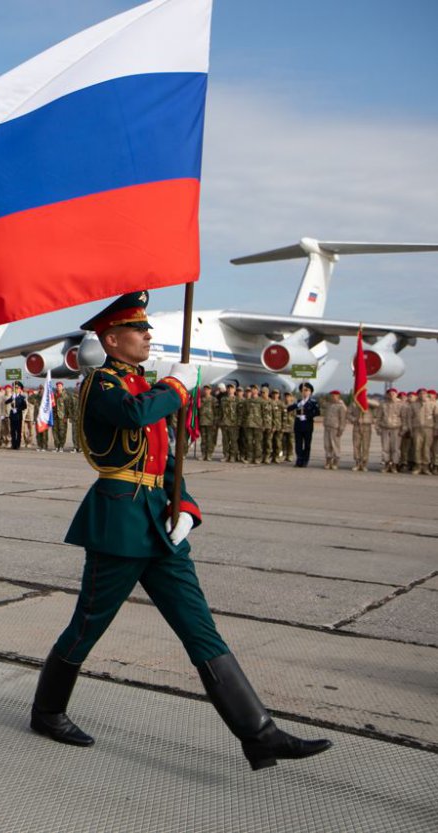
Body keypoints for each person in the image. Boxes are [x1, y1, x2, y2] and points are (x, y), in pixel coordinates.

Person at [30, 291, 329, 771]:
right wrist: (176, 385)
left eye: (148, 328)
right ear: (111, 338)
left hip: (158, 519)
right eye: (139, 329)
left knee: (198, 626)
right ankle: (47, 711)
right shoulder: (101, 386)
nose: (149, 335)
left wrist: (185, 505)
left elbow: (167, 459)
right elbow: (134, 416)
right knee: (88, 625)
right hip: (120, 520)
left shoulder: (142, 386)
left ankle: (259, 733)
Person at [286, 383, 320, 467]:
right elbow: (288, 409)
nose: (304, 392)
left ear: (310, 392)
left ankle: (305, 460)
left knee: (307, 444)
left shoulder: (313, 402)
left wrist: (307, 416)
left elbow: (317, 412)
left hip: (308, 425)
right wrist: (298, 405)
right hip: (298, 425)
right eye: (303, 390)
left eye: (306, 390)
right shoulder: (298, 401)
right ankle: (299, 459)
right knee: (298, 444)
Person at [322, 390, 348, 469]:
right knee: (327, 445)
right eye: (331, 396)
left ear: (338, 396)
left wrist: (341, 429)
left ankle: (335, 461)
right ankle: (328, 460)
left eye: (334, 396)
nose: (332, 397)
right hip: (327, 427)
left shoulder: (340, 406)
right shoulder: (329, 405)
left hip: (335, 428)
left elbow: (343, 419)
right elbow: (322, 404)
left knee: (335, 445)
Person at [7, 383, 26, 449]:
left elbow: (24, 407)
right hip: (12, 416)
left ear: (20, 389)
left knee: (18, 431)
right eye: (15, 388)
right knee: (12, 431)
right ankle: (13, 444)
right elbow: (6, 402)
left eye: (17, 388)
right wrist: (12, 398)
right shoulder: (13, 396)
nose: (16, 389)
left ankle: (18, 445)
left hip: (18, 416)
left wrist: (17, 409)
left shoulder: (22, 397)